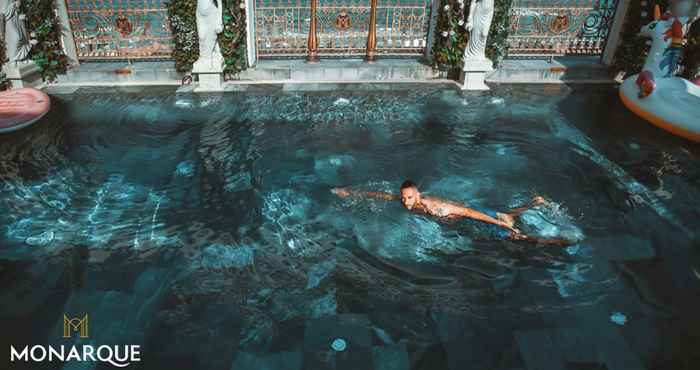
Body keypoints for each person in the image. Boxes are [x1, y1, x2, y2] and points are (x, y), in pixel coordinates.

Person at [332, 180, 572, 246]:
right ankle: (534, 203)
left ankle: (556, 242)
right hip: (468, 216)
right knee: (506, 214)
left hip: (473, 215)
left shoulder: (434, 206)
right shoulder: (407, 201)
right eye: (404, 198)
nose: (405, 202)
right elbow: (381, 196)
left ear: (418, 194)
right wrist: (350, 192)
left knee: (513, 234)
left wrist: (500, 226)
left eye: (409, 198)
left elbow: (468, 212)